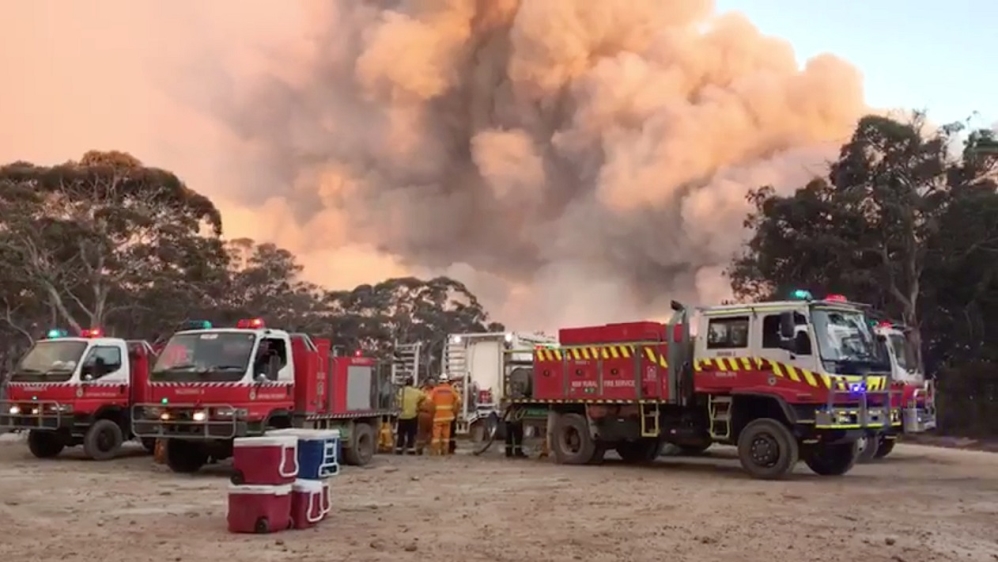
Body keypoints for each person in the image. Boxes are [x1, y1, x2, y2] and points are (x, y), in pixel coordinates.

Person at [427, 376, 461, 456]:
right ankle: (444, 452)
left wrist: (432, 411)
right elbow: (459, 400)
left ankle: (435, 453)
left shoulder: (435, 390)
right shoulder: (451, 390)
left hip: (438, 416)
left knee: (436, 437)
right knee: (446, 437)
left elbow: (428, 401)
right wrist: (454, 410)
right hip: (448, 417)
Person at [395, 377, 424, 455]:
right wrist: (418, 404)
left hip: (402, 415)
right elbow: (424, 397)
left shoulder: (401, 391)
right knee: (411, 433)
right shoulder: (416, 392)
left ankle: (399, 448)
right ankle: (410, 449)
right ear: (412, 383)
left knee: (401, 433)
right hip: (412, 415)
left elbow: (396, 399)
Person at [415, 381, 436, 455]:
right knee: (424, 432)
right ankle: (422, 448)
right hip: (426, 413)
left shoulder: (422, 391)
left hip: (427, 413)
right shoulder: (433, 391)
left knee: (426, 432)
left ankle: (425, 448)